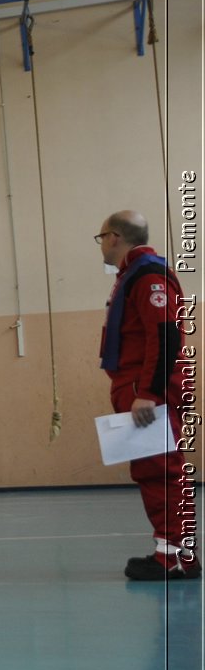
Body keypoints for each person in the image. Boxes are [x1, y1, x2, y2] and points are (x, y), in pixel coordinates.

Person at [97, 210, 198, 580]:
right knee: (152, 470)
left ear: (113, 237)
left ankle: (176, 557)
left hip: (146, 391)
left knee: (161, 472)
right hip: (137, 387)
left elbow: (167, 334)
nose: (101, 247)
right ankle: (171, 551)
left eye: (101, 238)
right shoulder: (133, 275)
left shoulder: (148, 275)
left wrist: (150, 393)